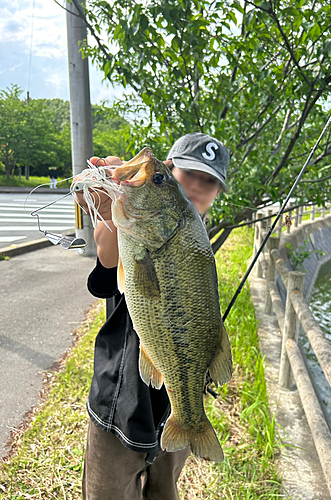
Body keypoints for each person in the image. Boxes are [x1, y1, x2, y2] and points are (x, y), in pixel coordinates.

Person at [74, 132, 230, 500]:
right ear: (171, 170)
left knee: (164, 492)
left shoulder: (195, 240)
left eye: (209, 181)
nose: (196, 185)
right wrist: (105, 196)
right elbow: (107, 267)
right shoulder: (141, 228)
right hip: (118, 402)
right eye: (184, 173)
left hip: (173, 405)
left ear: (217, 194)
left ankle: (190, 422)